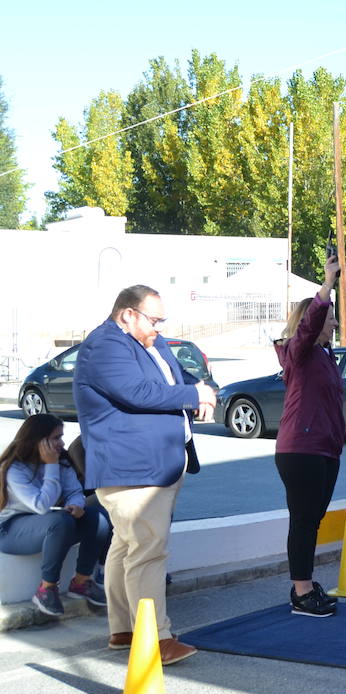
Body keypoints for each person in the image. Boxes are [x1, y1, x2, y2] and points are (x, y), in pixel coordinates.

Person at [74, 284, 216, 665]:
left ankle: (123, 629)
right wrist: (193, 397)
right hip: (133, 469)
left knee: (126, 546)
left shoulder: (149, 343)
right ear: (127, 314)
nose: (159, 328)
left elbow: (180, 379)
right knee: (149, 552)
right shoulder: (105, 345)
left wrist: (204, 389)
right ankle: (155, 639)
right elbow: (138, 392)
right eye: (154, 320)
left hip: (157, 464)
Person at [273, 254, 345, 617]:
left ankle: (305, 582)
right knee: (302, 519)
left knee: (312, 519)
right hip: (300, 450)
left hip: (324, 450)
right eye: (330, 317)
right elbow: (312, 321)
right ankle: (301, 591)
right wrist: (327, 284)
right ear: (311, 321)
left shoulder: (323, 357)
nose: (334, 322)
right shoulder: (297, 353)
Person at [0, 414, 111, 617]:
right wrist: (51, 465)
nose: (61, 443)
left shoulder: (62, 461)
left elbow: (75, 492)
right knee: (60, 522)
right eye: (56, 438)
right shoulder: (14, 467)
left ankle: (81, 582)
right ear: (37, 440)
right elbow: (41, 505)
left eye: (61, 437)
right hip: (11, 531)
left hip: (49, 523)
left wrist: (76, 505)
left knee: (99, 517)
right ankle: (46, 588)